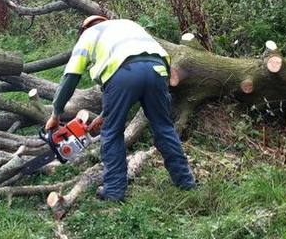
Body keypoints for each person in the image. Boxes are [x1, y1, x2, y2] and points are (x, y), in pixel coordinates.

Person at [45, 15, 196, 201]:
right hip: (158, 70)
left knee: (112, 132)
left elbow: (70, 77)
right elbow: (141, 62)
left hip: (124, 73)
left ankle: (114, 191)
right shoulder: (127, 25)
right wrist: (104, 114)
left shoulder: (88, 35)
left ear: (84, 29)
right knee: (164, 127)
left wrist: (56, 113)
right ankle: (186, 182)